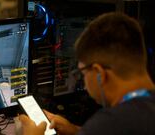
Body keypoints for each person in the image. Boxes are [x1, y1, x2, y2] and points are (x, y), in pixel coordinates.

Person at [19, 12, 155, 135]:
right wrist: (77, 131)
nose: (83, 80)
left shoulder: (111, 122)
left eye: (82, 73)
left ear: (99, 73)